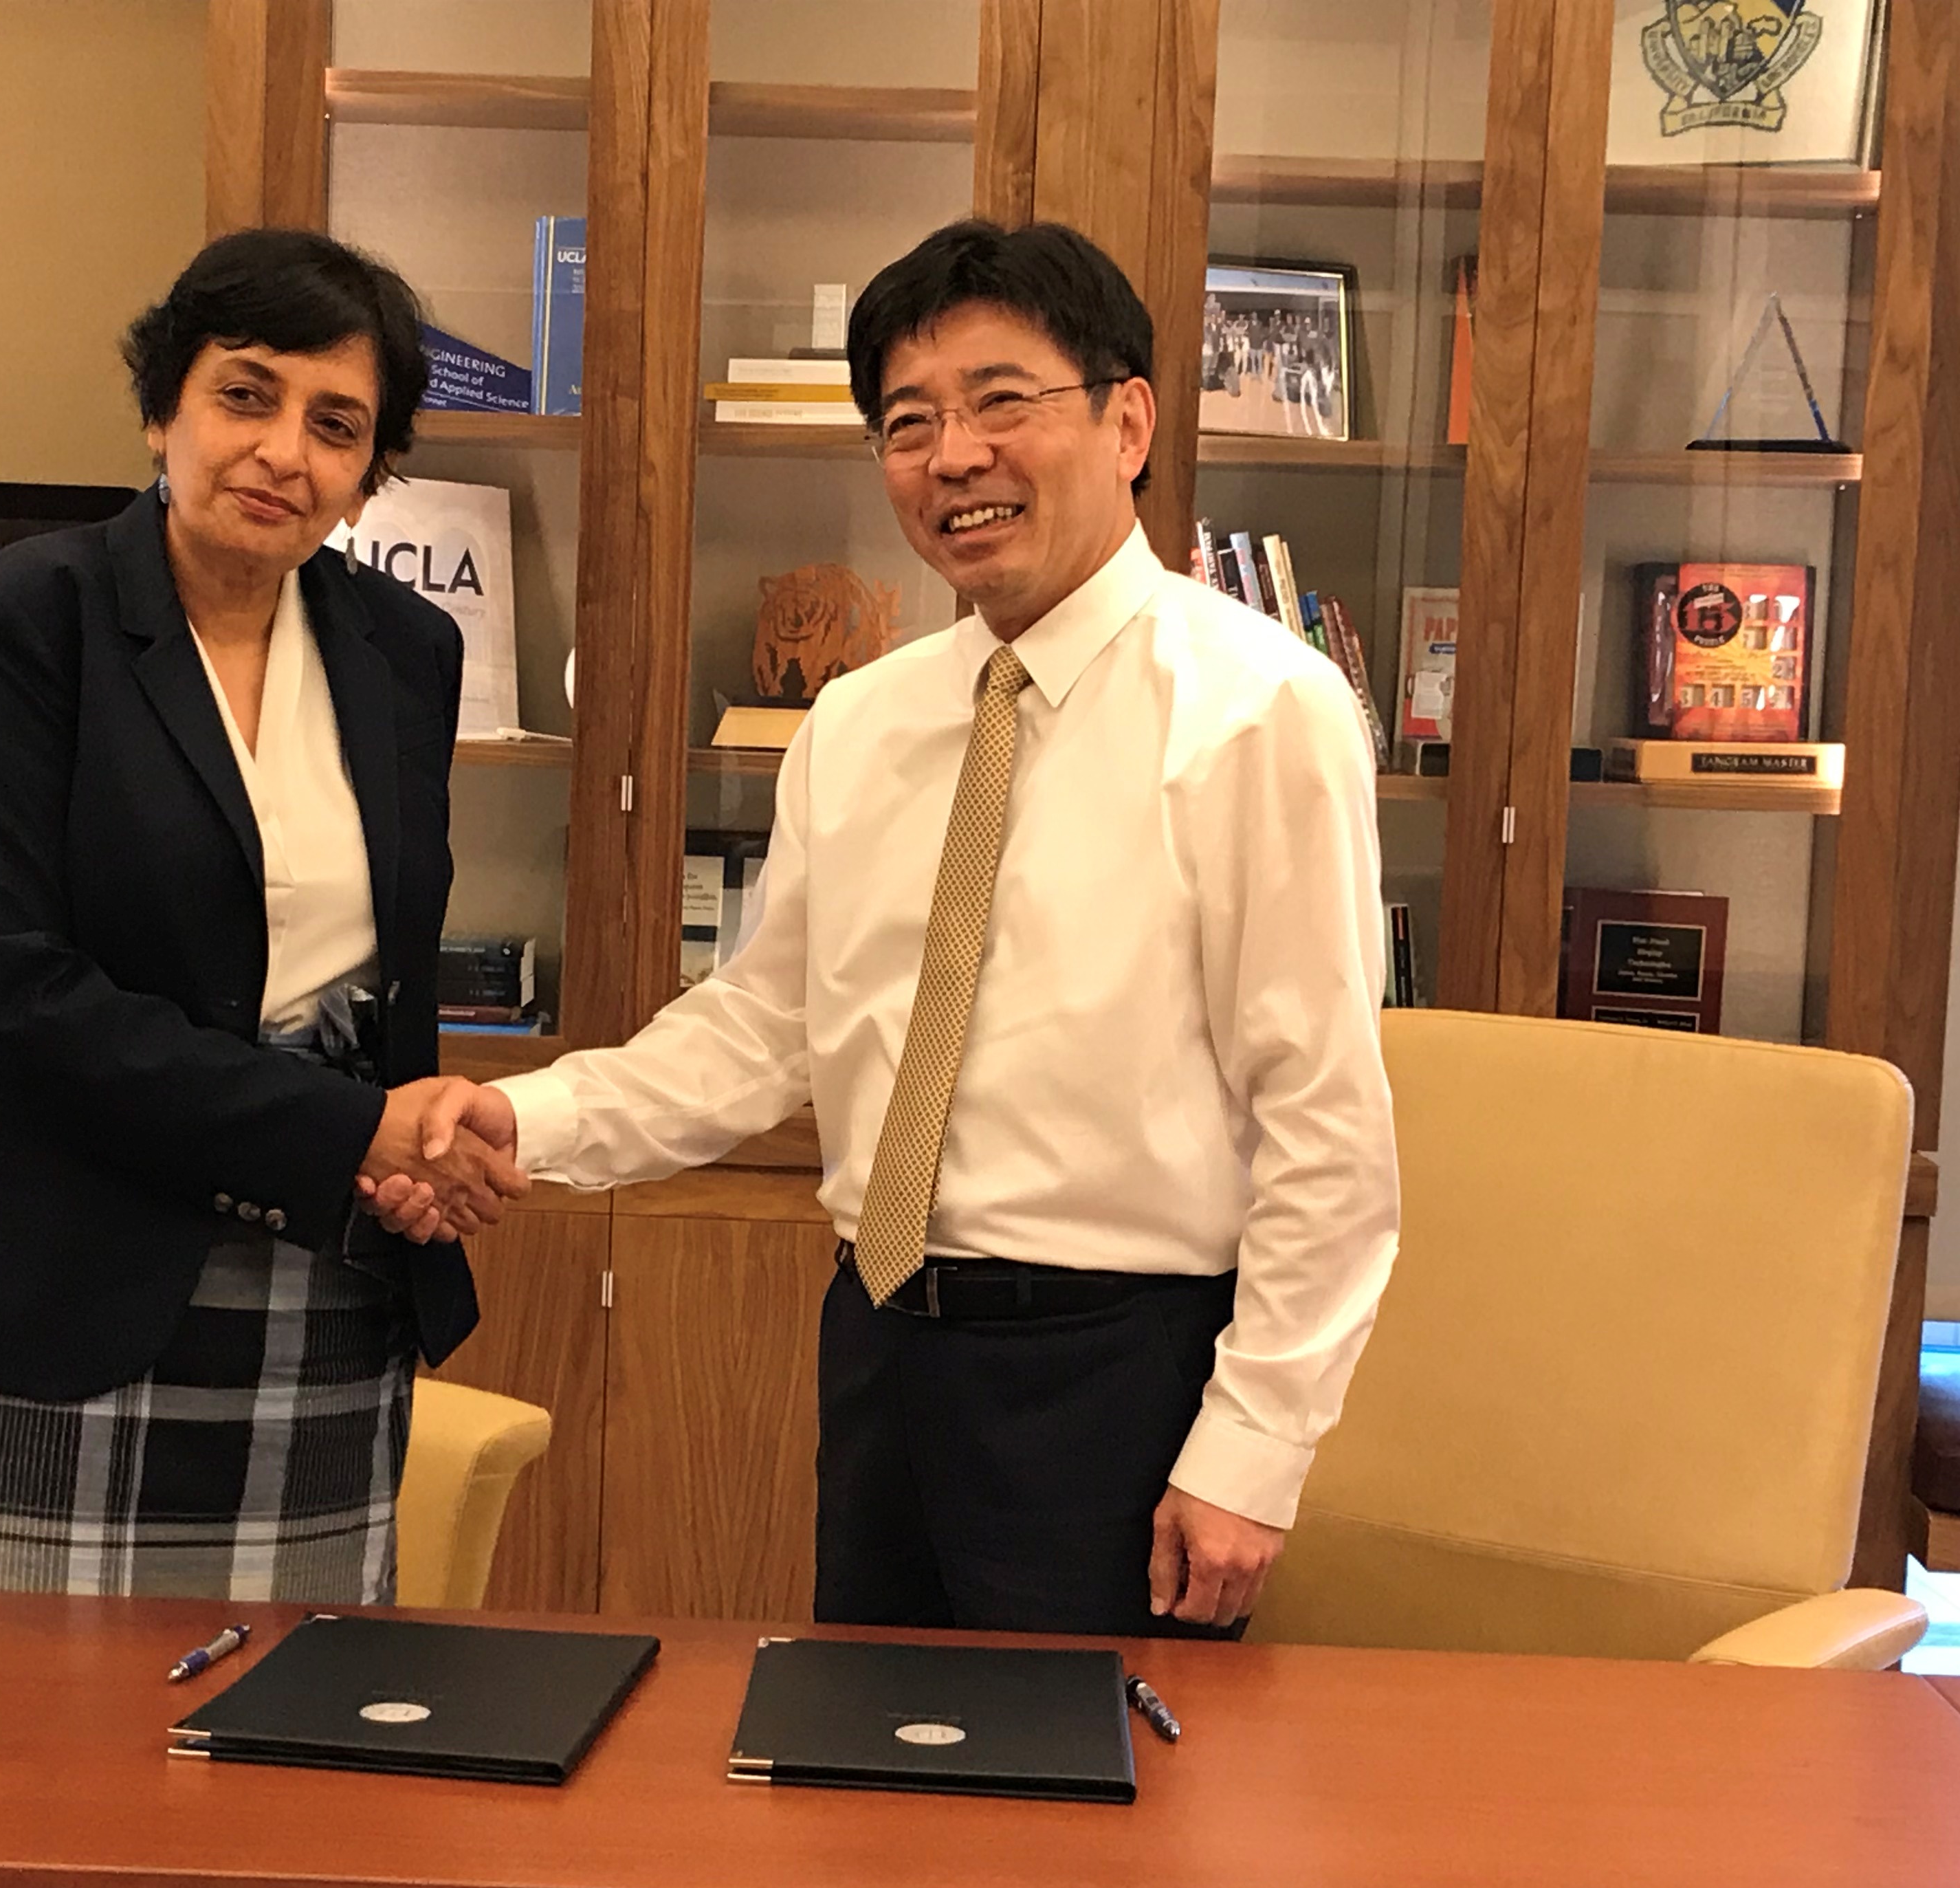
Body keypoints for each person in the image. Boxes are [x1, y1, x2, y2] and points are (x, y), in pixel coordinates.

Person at [394, 219, 1399, 1639]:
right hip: (879, 1350)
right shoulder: (863, 720)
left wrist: (1254, 1449)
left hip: (1117, 1381)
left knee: (1089, 1833)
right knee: (865, 1790)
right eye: (909, 423)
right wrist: (527, 1125)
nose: (954, 456)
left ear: (1128, 422)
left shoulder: (1260, 711)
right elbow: (762, 1029)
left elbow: (1328, 1124)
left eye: (1004, 401)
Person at [0, 228, 526, 1599]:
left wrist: (406, 1145)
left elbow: (375, 970)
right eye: (246, 394)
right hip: (53, 1271)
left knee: (289, 1743)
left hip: (321, 1277)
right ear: (163, 407)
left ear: (371, 472)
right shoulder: (28, 615)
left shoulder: (406, 650)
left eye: (338, 426)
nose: (284, 451)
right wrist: (349, 1128)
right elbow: (5, 985)